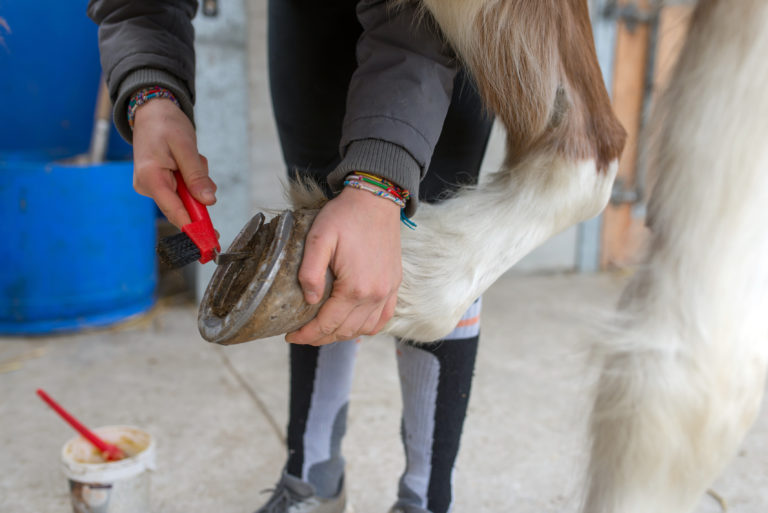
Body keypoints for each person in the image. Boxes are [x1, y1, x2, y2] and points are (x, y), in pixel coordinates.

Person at [88, 1, 492, 512]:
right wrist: (151, 91)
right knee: (313, 227)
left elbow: (419, 30)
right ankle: (313, 479)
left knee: (439, 245)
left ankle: (427, 497)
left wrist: (380, 182)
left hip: (445, 16)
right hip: (310, 17)